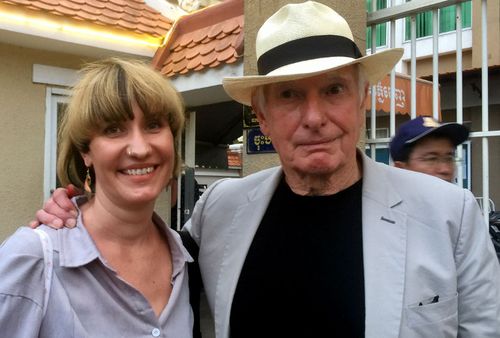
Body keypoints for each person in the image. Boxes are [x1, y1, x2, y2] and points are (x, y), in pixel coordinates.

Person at [32, 2, 500, 337]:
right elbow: (140, 253)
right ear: (262, 114)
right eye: (290, 94)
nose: (314, 117)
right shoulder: (220, 209)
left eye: (334, 90)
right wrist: (77, 213)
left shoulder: (449, 215)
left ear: (361, 99)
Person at [1, 58, 195, 337]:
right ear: (86, 152)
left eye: (153, 125)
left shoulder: (185, 256)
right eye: (113, 129)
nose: (140, 149)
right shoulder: (33, 258)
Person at [389, 115, 469, 182]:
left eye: (449, 158)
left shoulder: (461, 200)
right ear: (400, 169)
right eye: (431, 159)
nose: (446, 170)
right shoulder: (383, 200)